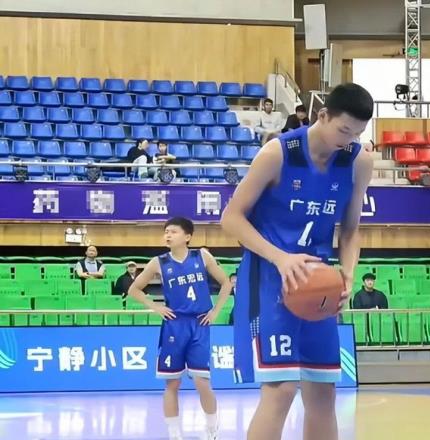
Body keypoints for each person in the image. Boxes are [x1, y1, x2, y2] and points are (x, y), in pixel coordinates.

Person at [221, 83, 374, 440]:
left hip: (317, 284)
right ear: (323, 115)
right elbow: (231, 218)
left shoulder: (358, 161)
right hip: (269, 278)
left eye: (357, 134)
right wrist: (281, 258)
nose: (349, 140)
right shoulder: (278, 153)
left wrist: (348, 274)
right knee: (281, 389)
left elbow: (351, 231)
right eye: (344, 130)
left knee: (323, 393)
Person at [128, 217, 232, 440]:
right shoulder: (158, 262)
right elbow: (134, 290)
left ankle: (212, 429)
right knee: (172, 383)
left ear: (187, 236)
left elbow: (226, 282)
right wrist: (156, 307)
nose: (168, 235)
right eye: (166, 231)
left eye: (173, 231)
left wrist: (216, 311)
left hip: (199, 323)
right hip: (174, 325)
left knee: (202, 381)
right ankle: (174, 433)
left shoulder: (202, 256)